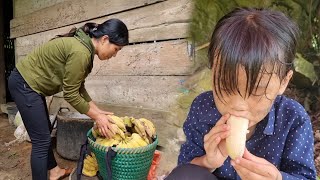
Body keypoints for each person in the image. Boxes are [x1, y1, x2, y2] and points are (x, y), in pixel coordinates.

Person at [165, 7, 317, 180]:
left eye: (257, 91)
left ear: (284, 81)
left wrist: (277, 178)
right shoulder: (202, 108)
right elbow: (184, 165)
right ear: (213, 71)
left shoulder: (293, 118)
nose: (238, 105)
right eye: (225, 86)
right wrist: (208, 161)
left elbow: (305, 176)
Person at [8, 18, 129, 180]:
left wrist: (97, 110)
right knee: (41, 142)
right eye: (116, 49)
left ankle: (55, 171)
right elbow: (70, 94)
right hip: (25, 84)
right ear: (105, 39)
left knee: (44, 134)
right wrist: (97, 117)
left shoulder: (85, 48)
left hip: (32, 87)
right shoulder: (81, 52)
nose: (114, 55)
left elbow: (79, 87)